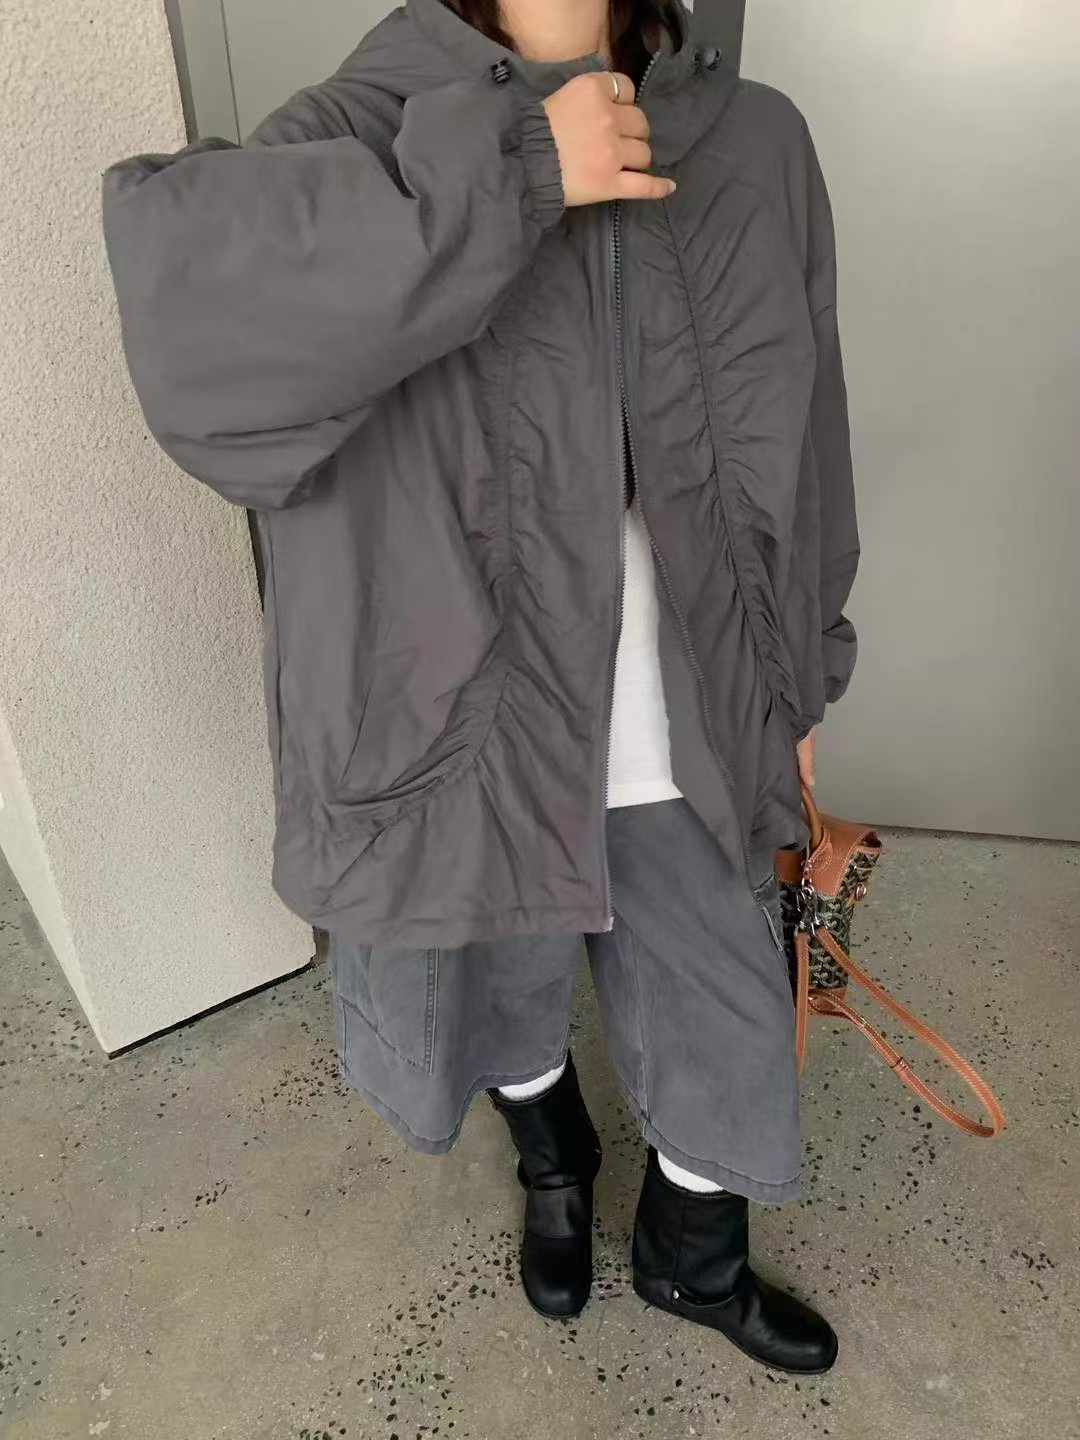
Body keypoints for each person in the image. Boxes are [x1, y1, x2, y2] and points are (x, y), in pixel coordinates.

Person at [102, 0, 859, 1375]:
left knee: (725, 1002)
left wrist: (801, 677)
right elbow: (193, 334)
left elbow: (807, 437)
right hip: (462, 718)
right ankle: (555, 1157)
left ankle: (694, 1257)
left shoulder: (754, 141)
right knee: (494, 991)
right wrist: (515, 176)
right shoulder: (365, 128)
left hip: (683, 707)